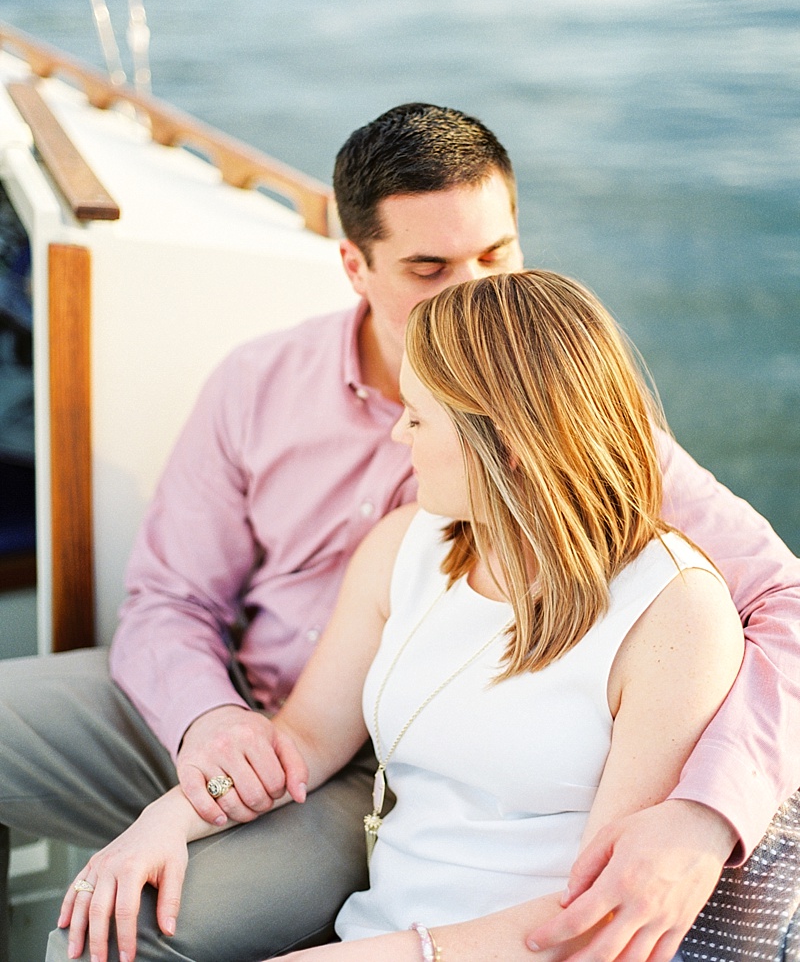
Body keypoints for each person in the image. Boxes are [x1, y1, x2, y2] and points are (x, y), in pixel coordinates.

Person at [0, 103, 794, 962]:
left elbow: (780, 599)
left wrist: (705, 815)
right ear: (355, 265)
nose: (475, 293)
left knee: (114, 938)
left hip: (375, 774)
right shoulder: (264, 388)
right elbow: (168, 600)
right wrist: (209, 725)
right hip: (249, 712)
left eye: (496, 255)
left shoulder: (583, 434)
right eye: (429, 266)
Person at [59, 270, 748, 962]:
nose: (396, 432)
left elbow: (598, 913)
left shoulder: (675, 613)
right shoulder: (404, 545)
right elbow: (304, 738)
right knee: (85, 943)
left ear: (504, 442)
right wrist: (165, 819)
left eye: (418, 416)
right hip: (378, 932)